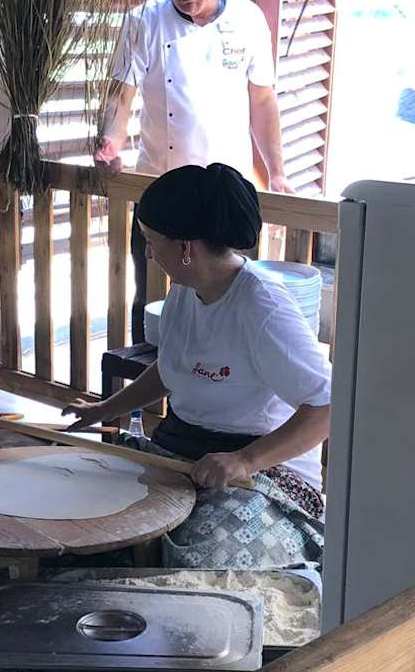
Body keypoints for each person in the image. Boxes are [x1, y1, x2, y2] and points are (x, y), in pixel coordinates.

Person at [67, 164, 330, 571]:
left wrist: (245, 460)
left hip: (265, 472)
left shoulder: (262, 308)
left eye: (152, 241)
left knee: (196, 559)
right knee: (91, 511)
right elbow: (172, 368)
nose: (149, 253)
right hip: (183, 449)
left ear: (185, 247)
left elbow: (327, 408)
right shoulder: (185, 292)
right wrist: (105, 409)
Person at [94, 0, 291, 342]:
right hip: (159, 193)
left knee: (232, 305)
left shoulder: (249, 20)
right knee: (151, 304)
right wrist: (109, 141)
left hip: (226, 195)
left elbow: (263, 101)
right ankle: (151, 380)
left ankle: (219, 379)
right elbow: (121, 95)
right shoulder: (144, 21)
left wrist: (277, 172)